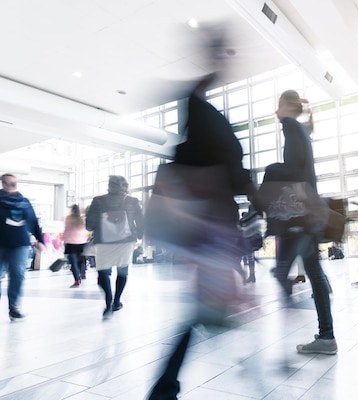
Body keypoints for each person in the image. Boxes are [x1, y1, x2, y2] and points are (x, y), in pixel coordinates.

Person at [147, 71, 256, 400]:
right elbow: (234, 176)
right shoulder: (213, 131)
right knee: (198, 314)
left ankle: (165, 386)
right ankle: (164, 387)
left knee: (198, 314)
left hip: (205, 231)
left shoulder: (202, 126)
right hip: (210, 229)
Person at [269, 89, 337, 355]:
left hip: (300, 214)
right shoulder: (302, 130)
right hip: (309, 212)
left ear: (286, 105)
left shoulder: (290, 125)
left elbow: (295, 169)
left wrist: (270, 171)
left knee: (282, 270)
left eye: (278, 105)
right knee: (314, 274)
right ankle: (326, 336)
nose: (276, 112)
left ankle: (322, 337)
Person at [86, 175, 143, 319]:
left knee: (103, 273)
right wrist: (139, 235)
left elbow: (89, 225)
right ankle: (117, 301)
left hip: (104, 241)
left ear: (109, 185)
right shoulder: (133, 201)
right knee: (122, 271)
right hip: (126, 240)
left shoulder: (98, 201)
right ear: (125, 186)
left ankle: (108, 301)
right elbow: (141, 221)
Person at [0, 173, 46, 320]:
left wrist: (40, 240)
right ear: (3, 184)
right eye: (9, 183)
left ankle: (14, 306)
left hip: (19, 244)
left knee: (18, 275)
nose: (12, 186)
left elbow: (33, 221)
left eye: (14, 183)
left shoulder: (24, 202)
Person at [62, 204, 90, 288]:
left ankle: (77, 280)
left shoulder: (68, 218)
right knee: (81, 260)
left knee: (73, 262)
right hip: (82, 242)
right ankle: (82, 272)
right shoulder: (82, 219)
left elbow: (66, 230)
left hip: (71, 243)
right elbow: (87, 230)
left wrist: (63, 239)